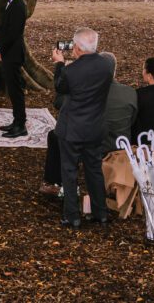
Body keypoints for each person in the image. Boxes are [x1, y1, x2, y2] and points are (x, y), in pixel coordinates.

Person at [52, 28, 114, 228]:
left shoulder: (71, 71)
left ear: (77, 48)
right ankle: (100, 212)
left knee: (69, 171)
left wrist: (59, 64)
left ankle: (72, 215)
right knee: (94, 170)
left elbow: (60, 87)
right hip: (95, 127)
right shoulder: (107, 66)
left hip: (72, 129)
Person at [41, 52, 123, 197]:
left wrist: (66, 74)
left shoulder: (85, 89)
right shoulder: (129, 93)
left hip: (90, 137)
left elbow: (59, 103)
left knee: (56, 136)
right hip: (119, 143)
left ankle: (55, 183)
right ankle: (99, 212)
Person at [0, 0, 28, 138]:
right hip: (9, 52)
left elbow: (13, 33)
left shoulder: (19, 5)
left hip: (13, 54)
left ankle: (21, 125)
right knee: (12, 89)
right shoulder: (12, 3)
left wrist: (0, 49)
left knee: (16, 90)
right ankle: (16, 121)